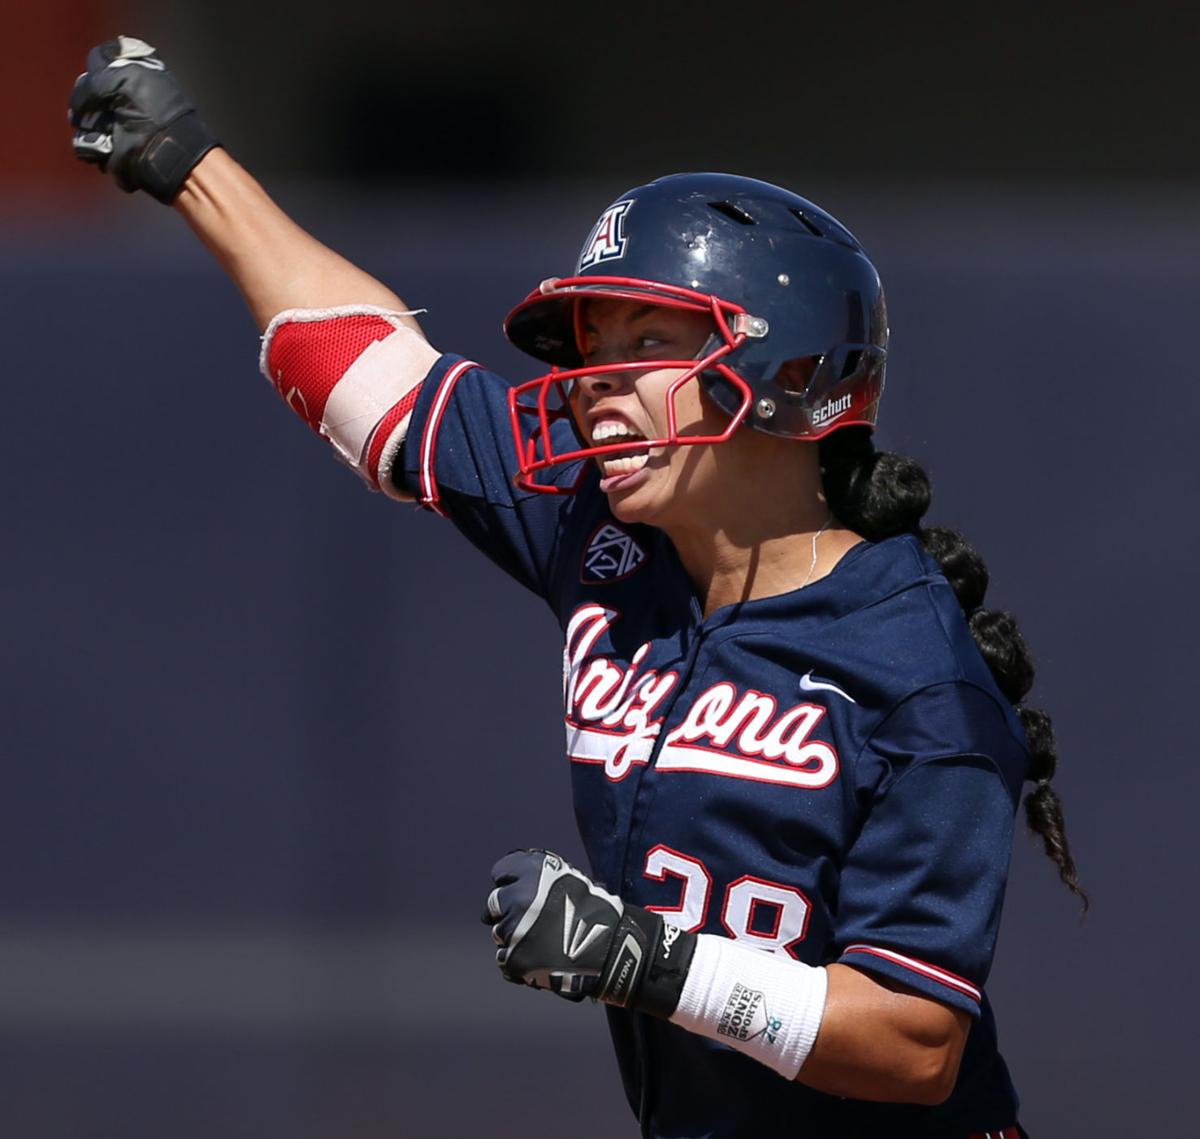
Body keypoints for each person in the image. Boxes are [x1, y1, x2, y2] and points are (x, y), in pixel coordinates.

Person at [69, 37, 1085, 1139]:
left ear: (789, 377)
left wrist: (646, 959)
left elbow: (915, 1041)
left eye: (650, 342)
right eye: (594, 349)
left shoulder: (920, 678)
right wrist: (189, 163)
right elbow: (371, 378)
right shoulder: (606, 528)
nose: (599, 386)